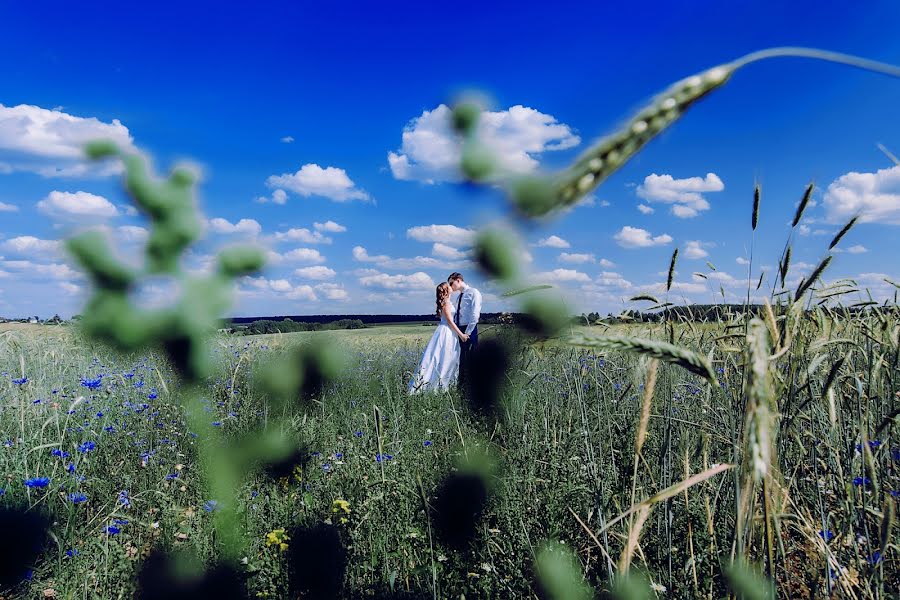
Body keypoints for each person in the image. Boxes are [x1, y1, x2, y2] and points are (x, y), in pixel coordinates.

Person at [408, 282, 470, 394]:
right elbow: (450, 322)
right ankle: (436, 387)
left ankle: (445, 385)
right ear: (446, 290)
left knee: (449, 358)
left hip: (450, 332)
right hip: (446, 332)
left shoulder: (448, 302)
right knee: (442, 357)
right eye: (449, 285)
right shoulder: (446, 302)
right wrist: (461, 335)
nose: (451, 286)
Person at [447, 272, 482, 392]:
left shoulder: (473, 292)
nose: (451, 286)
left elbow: (475, 315)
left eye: (451, 283)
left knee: (470, 359)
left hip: (468, 330)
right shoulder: (458, 297)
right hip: (459, 330)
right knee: (460, 360)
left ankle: (472, 388)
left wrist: (467, 333)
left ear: (458, 280)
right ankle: (461, 387)